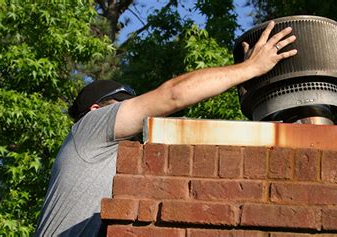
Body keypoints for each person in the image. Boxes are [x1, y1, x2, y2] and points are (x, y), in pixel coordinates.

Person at [35, 21, 297, 236]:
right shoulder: (89, 128)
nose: (138, 115)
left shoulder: (122, 162)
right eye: (123, 106)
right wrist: (249, 68)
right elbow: (172, 95)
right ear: (96, 110)